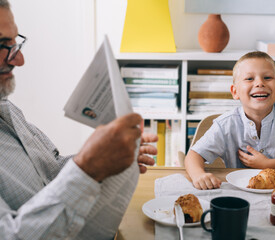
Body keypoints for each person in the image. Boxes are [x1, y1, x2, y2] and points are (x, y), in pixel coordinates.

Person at [0, 1, 158, 239]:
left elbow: (50, 171)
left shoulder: (6, 107)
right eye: (4, 45)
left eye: (15, 43)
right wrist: (88, 166)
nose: (19, 59)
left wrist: (107, 156)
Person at [185, 51, 275, 190]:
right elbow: (193, 156)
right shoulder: (225, 124)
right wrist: (198, 175)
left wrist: (268, 164)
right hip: (239, 193)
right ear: (235, 91)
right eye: (249, 79)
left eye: (267, 77)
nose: (260, 83)